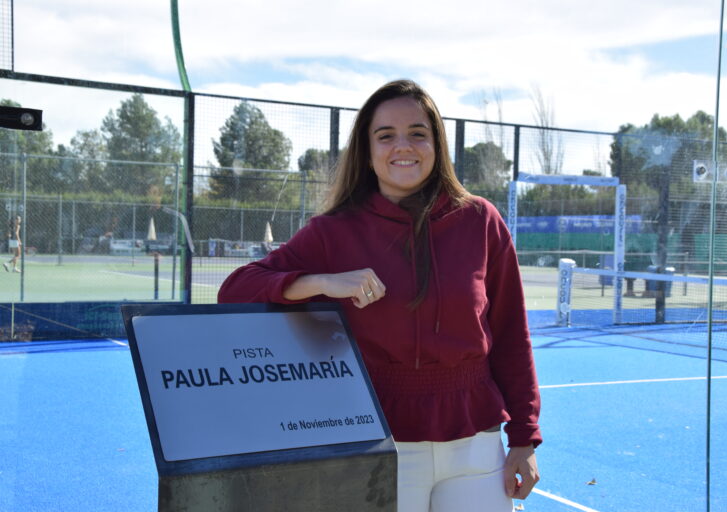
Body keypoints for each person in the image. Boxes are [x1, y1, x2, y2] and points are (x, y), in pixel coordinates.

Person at [218, 79, 541, 511]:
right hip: (378, 440)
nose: (402, 146)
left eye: (417, 133)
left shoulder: (481, 220)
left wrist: (524, 436)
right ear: (368, 153)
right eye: (385, 135)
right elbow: (234, 291)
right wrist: (320, 281)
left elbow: (511, 334)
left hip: (476, 443)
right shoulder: (334, 232)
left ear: (437, 144)